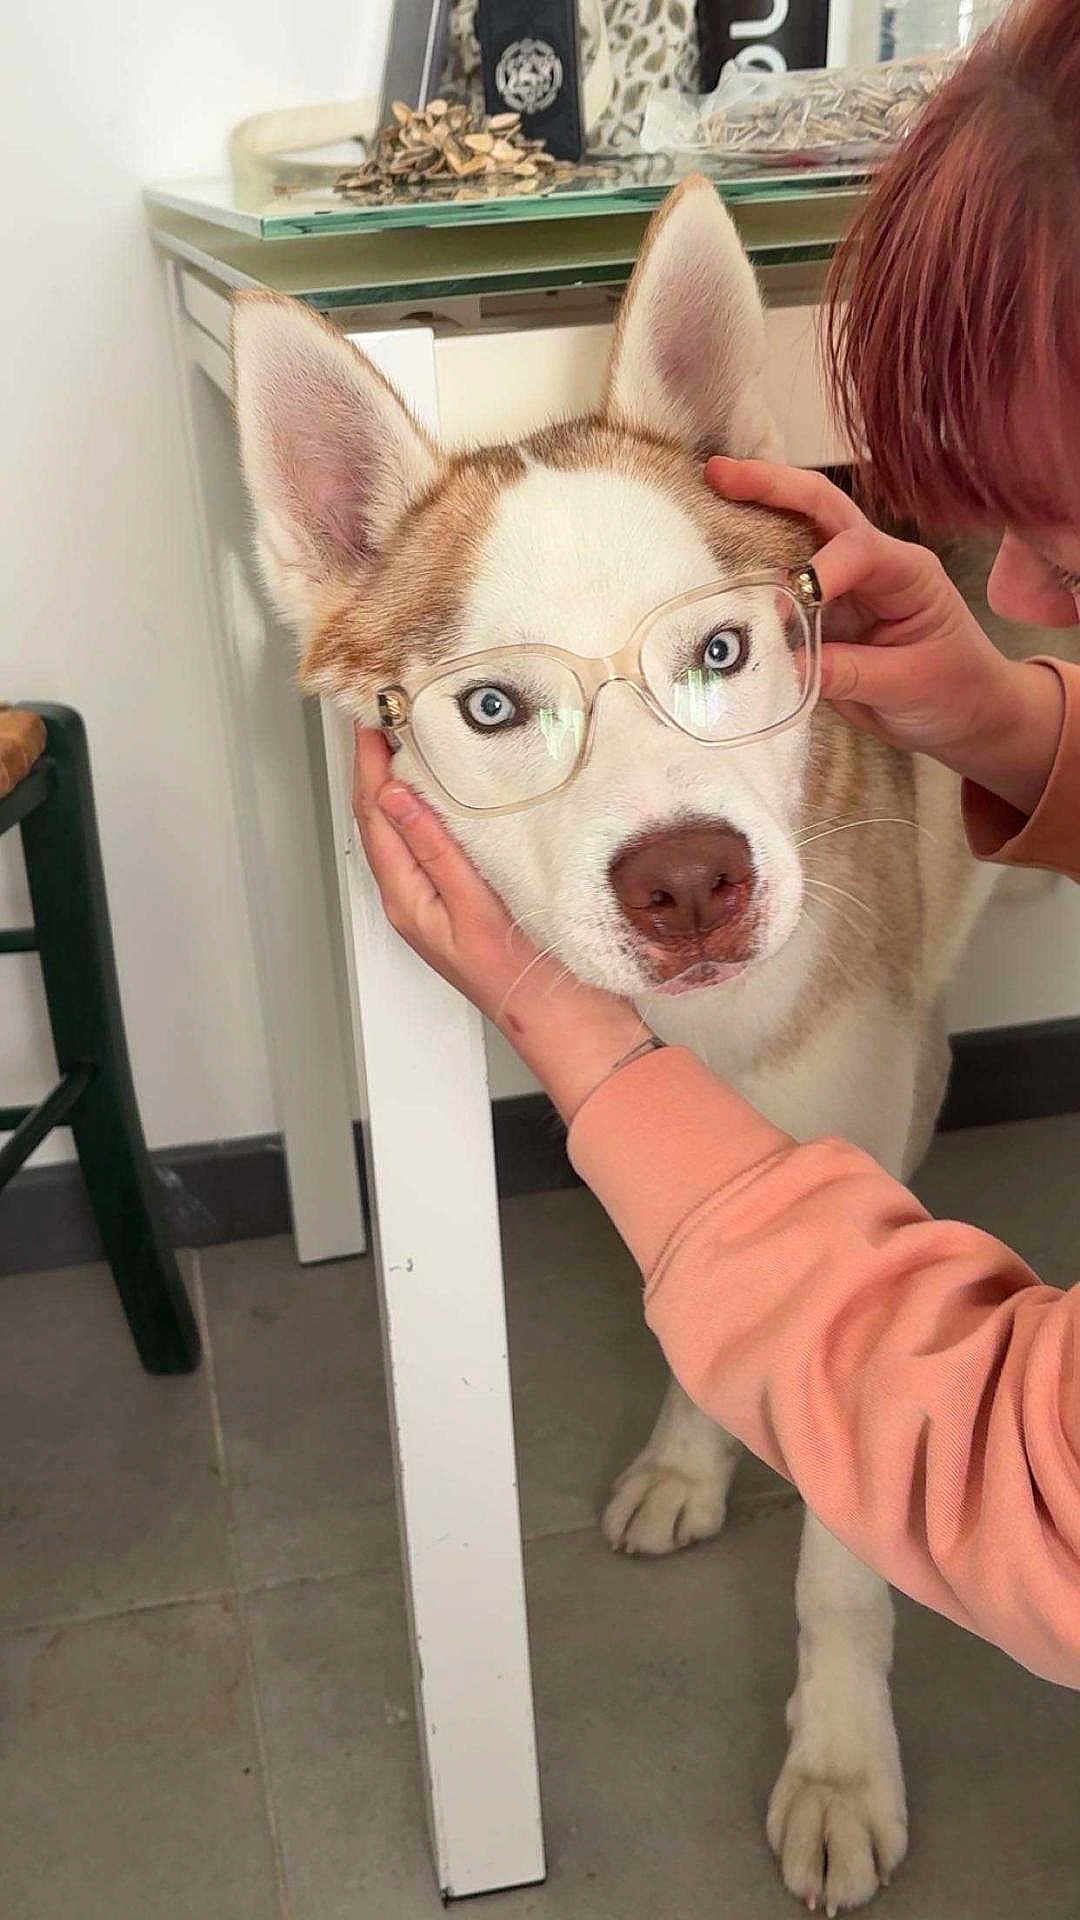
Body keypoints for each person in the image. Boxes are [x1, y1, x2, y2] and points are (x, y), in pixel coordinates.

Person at [352, 0, 1080, 1688]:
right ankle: (703, 1417)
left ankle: (841, 1677)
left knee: (848, 1141)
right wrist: (1010, 727)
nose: (1020, 600)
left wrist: (572, 1038)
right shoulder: (986, 642)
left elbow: (1028, 1482)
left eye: (1065, 535)